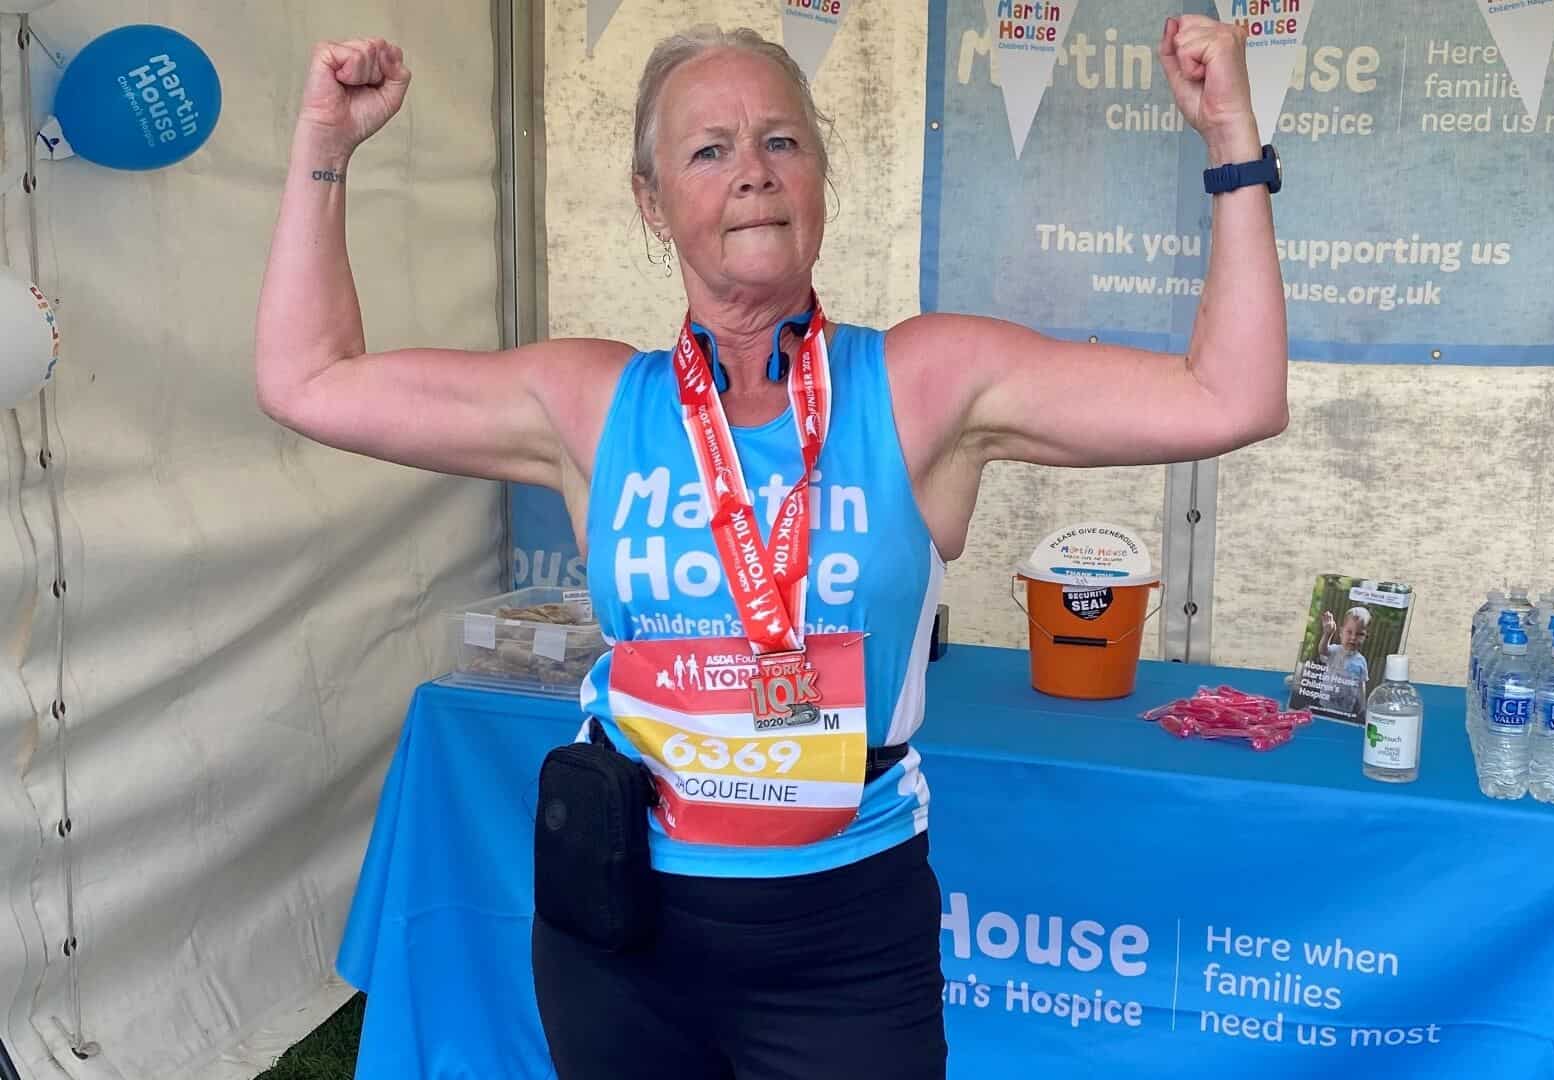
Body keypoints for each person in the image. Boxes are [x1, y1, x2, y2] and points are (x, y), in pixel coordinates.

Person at [256, 15, 1288, 1079]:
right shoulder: (589, 404)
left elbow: (1233, 395)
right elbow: (308, 378)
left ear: (823, 179)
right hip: (618, 918)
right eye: (710, 150)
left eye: (782, 141)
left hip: (841, 935)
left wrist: (1229, 139)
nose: (752, 172)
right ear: (653, 204)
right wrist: (323, 145)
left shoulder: (923, 384)